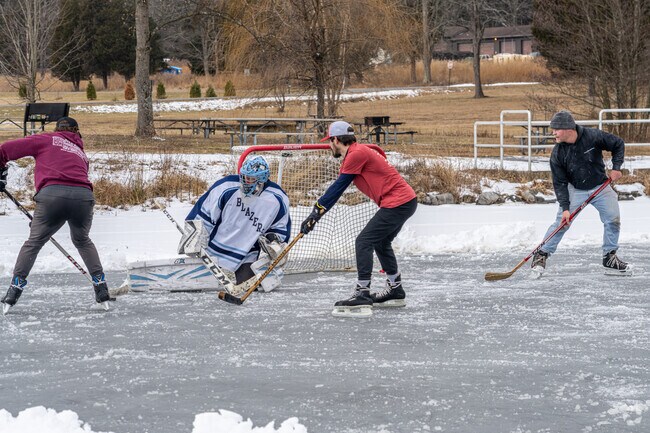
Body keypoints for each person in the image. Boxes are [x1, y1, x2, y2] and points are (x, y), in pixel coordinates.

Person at [300, 121, 417, 316]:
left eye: (330, 141)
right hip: (404, 202)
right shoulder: (357, 152)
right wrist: (317, 212)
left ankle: (362, 292)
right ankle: (396, 289)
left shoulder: (356, 154)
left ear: (336, 140)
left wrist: (316, 211)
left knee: (364, 241)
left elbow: (338, 188)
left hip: (398, 203)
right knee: (380, 242)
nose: (330, 145)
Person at [0, 117, 111, 312]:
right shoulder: (81, 153)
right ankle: (101, 287)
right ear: (76, 132)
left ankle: (14, 291)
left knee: (34, 242)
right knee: (82, 240)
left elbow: (4, 150)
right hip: (84, 197)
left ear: (57, 128)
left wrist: (1, 172)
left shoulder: (46, 138)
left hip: (52, 196)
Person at [531, 110, 631, 276]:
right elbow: (559, 183)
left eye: (556, 129)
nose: (553, 132)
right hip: (574, 189)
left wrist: (616, 168)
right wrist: (565, 207)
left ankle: (609, 257)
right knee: (562, 222)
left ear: (569, 129)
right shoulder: (557, 153)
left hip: (600, 187)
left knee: (613, 219)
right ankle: (541, 255)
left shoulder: (592, 136)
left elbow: (618, 143)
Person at [180, 156, 291, 293]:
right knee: (200, 289)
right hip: (214, 253)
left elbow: (279, 229)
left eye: (250, 179)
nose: (244, 182)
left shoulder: (277, 198)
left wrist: (274, 243)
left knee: (250, 289)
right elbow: (202, 215)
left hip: (247, 254)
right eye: (243, 176)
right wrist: (193, 238)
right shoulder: (226, 186)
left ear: (262, 180)